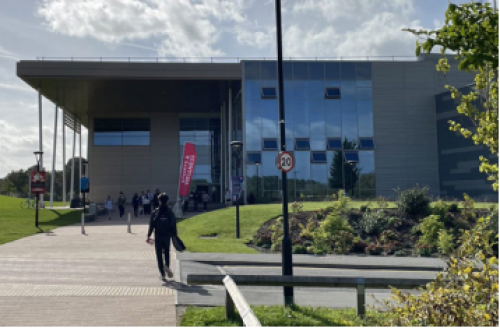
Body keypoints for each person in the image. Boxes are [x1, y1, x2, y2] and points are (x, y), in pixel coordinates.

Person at [147, 194, 177, 282]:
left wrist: (148, 235)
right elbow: (173, 224)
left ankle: (162, 274)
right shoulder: (170, 212)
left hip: (158, 236)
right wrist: (174, 234)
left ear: (159, 201)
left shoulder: (155, 212)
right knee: (167, 251)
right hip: (167, 236)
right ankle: (167, 265)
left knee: (159, 254)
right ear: (167, 201)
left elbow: (151, 225)